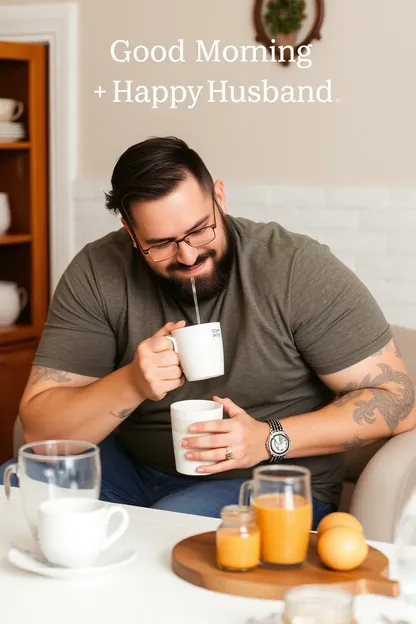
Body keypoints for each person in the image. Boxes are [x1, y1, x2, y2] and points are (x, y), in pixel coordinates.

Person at [1, 136, 415, 530]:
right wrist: (131, 383)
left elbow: (397, 399)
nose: (188, 255)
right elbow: (39, 432)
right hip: (131, 473)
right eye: (161, 244)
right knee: (16, 489)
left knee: (168, 529)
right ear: (131, 233)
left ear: (219, 197)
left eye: (200, 229)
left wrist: (268, 439)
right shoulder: (97, 270)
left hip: (267, 484)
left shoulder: (293, 268)